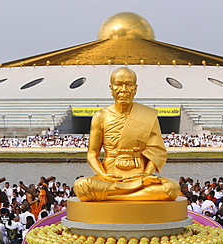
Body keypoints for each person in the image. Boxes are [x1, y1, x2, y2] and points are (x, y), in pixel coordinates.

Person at [74, 67, 179, 201]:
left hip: (139, 175)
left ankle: (114, 196)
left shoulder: (147, 115)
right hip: (110, 176)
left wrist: (146, 175)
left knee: (171, 188)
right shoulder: (100, 116)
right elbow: (92, 154)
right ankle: (131, 195)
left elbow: (156, 152)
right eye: (119, 84)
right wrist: (103, 175)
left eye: (128, 85)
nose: (124, 89)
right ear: (111, 88)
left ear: (135, 88)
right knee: (82, 187)